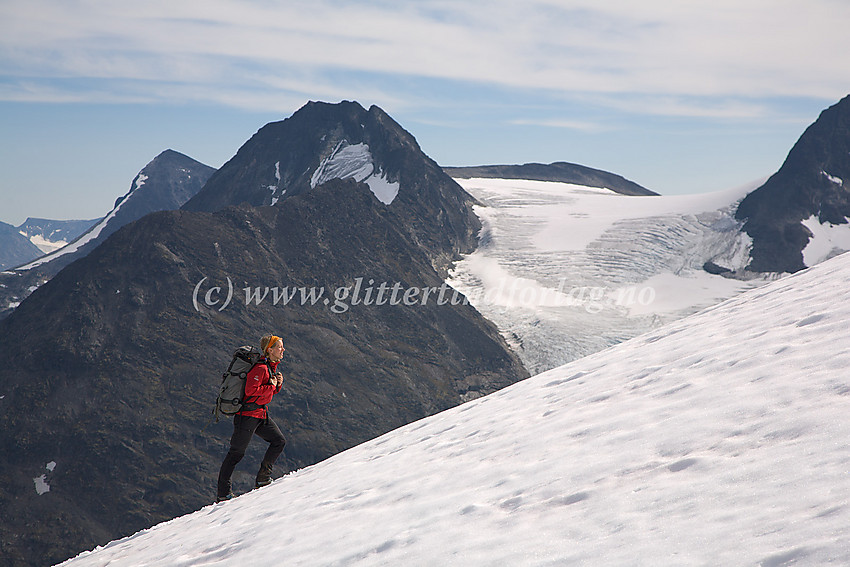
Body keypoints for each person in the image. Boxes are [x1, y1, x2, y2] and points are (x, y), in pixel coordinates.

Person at [217, 334, 287, 502]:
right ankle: (223, 493)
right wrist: (271, 384)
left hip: (260, 414)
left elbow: (266, 393)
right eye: (279, 347)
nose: (283, 350)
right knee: (236, 453)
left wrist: (277, 385)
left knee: (279, 441)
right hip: (247, 416)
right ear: (269, 350)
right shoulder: (261, 368)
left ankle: (263, 477)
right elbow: (250, 391)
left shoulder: (270, 368)